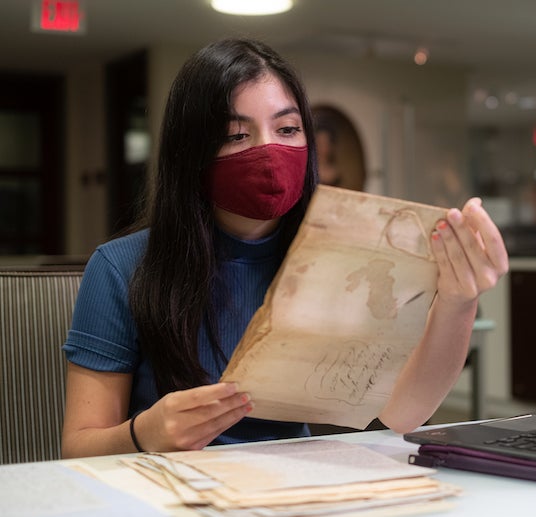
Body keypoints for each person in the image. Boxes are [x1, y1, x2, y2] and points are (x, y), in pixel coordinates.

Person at [60, 38, 509, 458]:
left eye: (288, 128)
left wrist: (458, 301)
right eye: (237, 135)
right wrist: (146, 433)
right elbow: (76, 448)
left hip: (296, 489)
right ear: (190, 151)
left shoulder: (341, 261)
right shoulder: (121, 267)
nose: (269, 151)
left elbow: (401, 413)